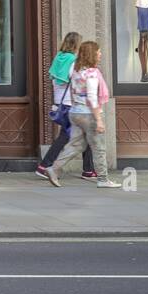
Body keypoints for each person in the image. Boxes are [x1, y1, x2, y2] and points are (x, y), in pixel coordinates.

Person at [43, 41, 122, 188]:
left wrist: (75, 106)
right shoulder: (92, 74)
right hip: (88, 114)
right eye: (98, 52)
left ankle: (53, 169)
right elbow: (92, 97)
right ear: (91, 54)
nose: (100, 54)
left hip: (75, 112)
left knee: (75, 145)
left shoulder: (76, 71)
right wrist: (98, 119)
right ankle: (103, 179)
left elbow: (73, 92)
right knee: (99, 147)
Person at [36, 32, 96, 181]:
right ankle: (45, 166)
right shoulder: (73, 61)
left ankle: (88, 170)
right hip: (71, 103)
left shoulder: (59, 58)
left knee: (83, 135)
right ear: (76, 45)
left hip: (60, 102)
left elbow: (56, 80)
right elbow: (76, 79)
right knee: (66, 136)